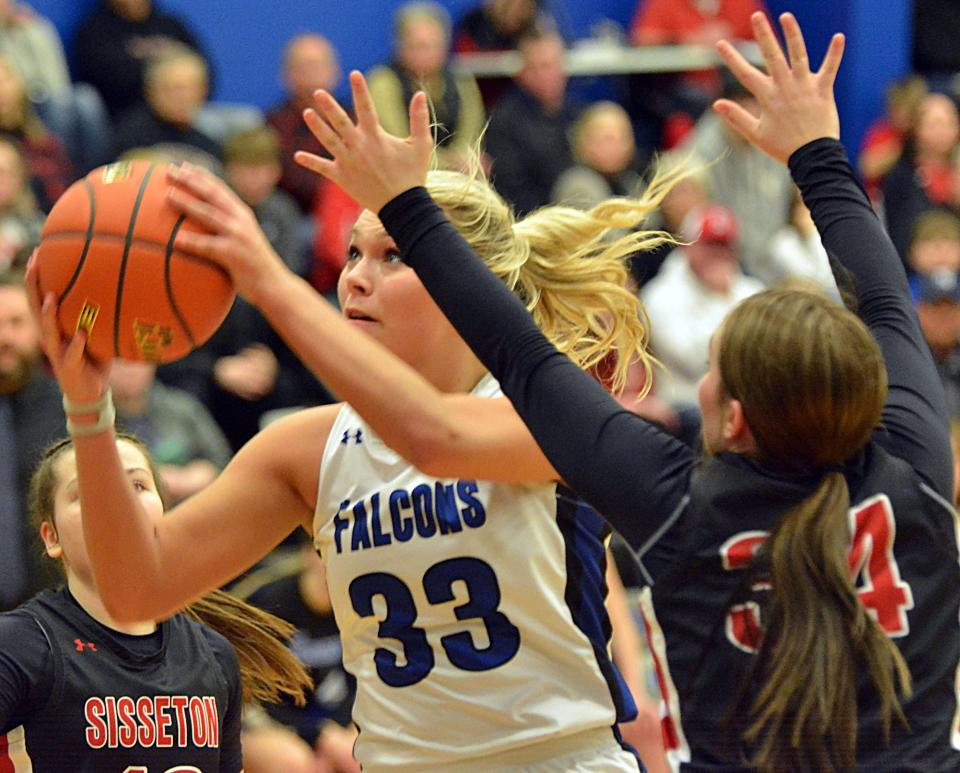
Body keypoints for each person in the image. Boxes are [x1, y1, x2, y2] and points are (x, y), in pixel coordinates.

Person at [295, 12, 959, 770]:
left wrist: (396, 213)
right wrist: (819, 154)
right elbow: (884, 302)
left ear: (733, 415)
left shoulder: (684, 508)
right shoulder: (917, 470)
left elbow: (520, 355)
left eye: (713, 368)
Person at [30, 88, 682, 773]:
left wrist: (270, 281)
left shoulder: (544, 411)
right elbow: (137, 589)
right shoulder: (307, 449)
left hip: (554, 759)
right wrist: (89, 410)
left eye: (393, 256)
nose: (356, 280)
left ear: (470, 282)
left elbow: (435, 439)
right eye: (350, 255)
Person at [0, 431, 311, 770]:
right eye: (87, 490)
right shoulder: (20, 645)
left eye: (136, 486)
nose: (116, 503)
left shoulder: (215, 654)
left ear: (167, 516)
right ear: (52, 537)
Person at [0, 269, 63, 610]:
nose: (5, 337)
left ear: (39, 330)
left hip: (52, 615)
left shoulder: (73, 409)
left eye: (16, 322)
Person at [366, 1, 485, 172]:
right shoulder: (383, 81)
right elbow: (398, 145)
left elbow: (472, 136)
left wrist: (467, 159)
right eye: (417, 46)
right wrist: (450, 165)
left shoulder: (461, 80)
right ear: (400, 45)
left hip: (460, 177)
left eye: (433, 45)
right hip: (402, 176)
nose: (425, 54)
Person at [484, 29, 581, 215]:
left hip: (577, 212)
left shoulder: (577, 113)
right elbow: (512, 191)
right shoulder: (504, 122)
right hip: (534, 220)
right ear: (523, 73)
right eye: (539, 67)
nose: (548, 74)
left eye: (553, 65)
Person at [109, 358, 232, 503]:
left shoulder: (182, 406)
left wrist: (188, 479)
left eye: (137, 360)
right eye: (119, 363)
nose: (129, 369)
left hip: (193, 507)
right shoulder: (92, 424)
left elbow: (222, 459)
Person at [73, 0, 211, 120]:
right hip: (125, 117)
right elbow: (112, 80)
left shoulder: (171, 25)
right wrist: (163, 78)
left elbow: (206, 72)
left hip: (187, 116)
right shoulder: (95, 31)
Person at [266, 33, 342, 215]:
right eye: (303, 66)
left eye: (317, 65)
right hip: (299, 215)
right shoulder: (274, 124)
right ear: (286, 75)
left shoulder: (353, 119)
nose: (311, 73)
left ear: (335, 71)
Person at [112, 44, 223, 168]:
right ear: (151, 90)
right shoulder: (129, 137)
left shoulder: (210, 145)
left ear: (204, 91)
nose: (183, 97)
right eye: (174, 89)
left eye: (191, 88)